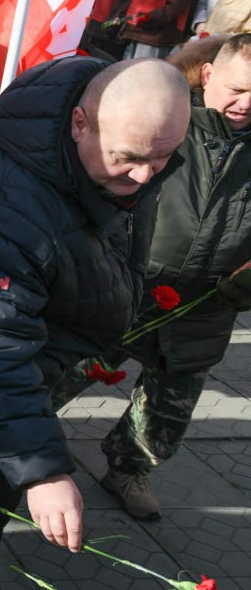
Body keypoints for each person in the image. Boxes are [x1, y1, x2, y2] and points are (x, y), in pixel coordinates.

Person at [0, 57, 191, 590]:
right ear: (79, 122)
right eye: (127, 158)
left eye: (162, 157)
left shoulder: (119, 132)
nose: (145, 176)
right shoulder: (6, 201)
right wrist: (42, 472)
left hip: (33, 341)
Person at [48, 37, 251, 523]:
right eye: (238, 89)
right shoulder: (168, 123)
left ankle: (129, 468)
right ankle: (13, 444)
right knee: (66, 373)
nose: (246, 104)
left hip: (207, 304)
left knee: (168, 405)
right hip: (131, 285)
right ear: (208, 77)